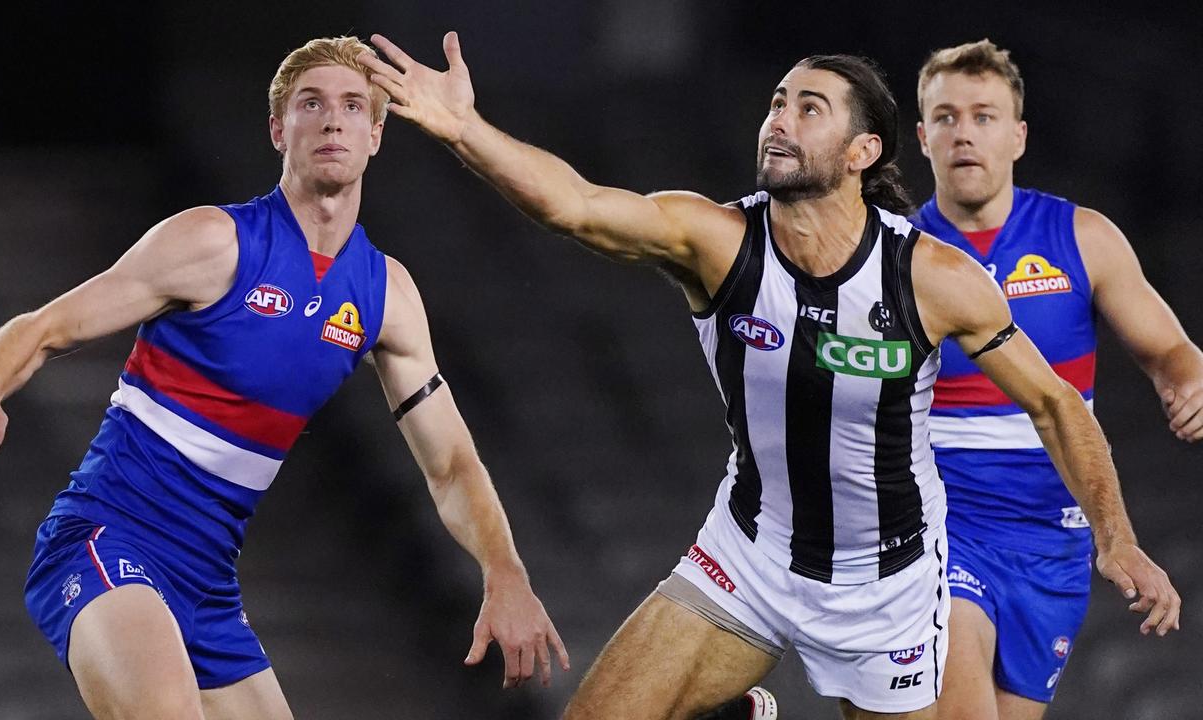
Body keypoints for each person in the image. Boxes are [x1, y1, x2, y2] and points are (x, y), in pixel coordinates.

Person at [358, 32, 1181, 720]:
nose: (779, 121)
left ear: (864, 151)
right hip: (749, 554)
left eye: (808, 108)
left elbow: (1054, 403)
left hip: (887, 586)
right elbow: (574, 204)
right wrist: (465, 128)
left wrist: (1119, 540)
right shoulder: (716, 241)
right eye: (777, 102)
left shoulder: (932, 278)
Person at [0, 35, 568, 720]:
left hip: (206, 585)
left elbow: (451, 465)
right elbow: (44, 326)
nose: (332, 120)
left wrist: (505, 572)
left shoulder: (387, 298)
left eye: (354, 106)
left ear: (377, 135)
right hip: (106, 540)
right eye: (311, 103)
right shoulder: (213, 243)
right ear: (277, 128)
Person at [909, 39, 1200, 720]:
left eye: (984, 116)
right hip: (945, 530)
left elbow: (1171, 349)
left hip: (1054, 542)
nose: (964, 134)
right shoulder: (898, 251)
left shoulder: (1084, 237)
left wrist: (1189, 380)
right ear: (922, 137)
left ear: (1018, 135)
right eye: (946, 118)